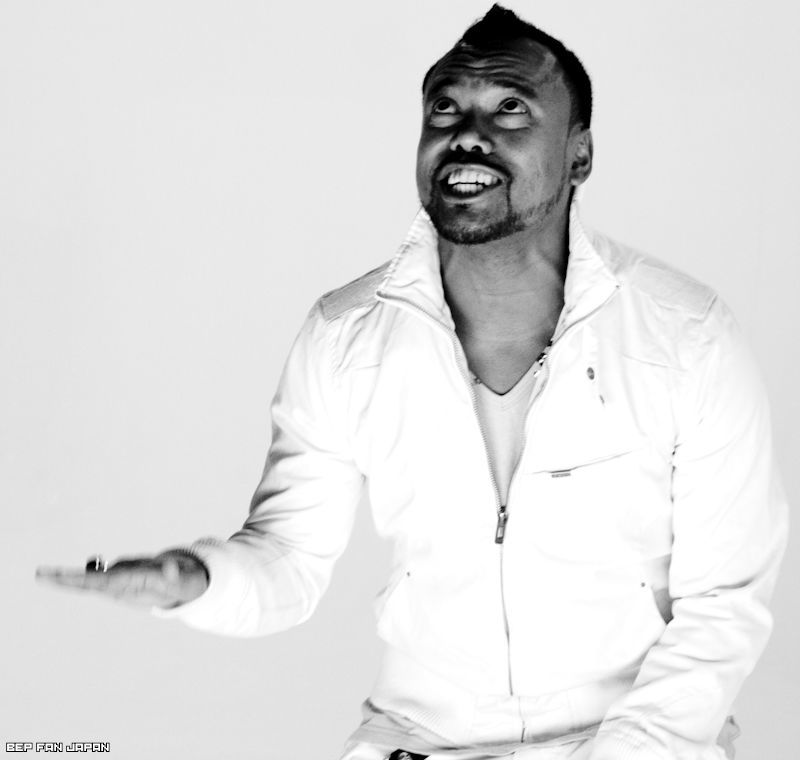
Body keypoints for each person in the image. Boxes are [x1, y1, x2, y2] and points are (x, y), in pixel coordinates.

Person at [36, 5, 788, 759]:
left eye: (511, 109)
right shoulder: (345, 336)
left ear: (579, 155)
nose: (468, 133)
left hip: (635, 742)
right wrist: (193, 580)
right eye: (445, 108)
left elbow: (724, 603)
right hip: (419, 740)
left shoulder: (685, 335)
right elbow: (288, 558)